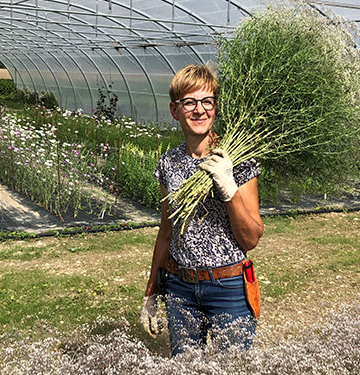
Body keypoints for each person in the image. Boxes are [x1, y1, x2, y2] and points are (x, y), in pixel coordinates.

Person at [141, 64, 263, 356]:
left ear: (215, 107)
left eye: (207, 101)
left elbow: (251, 238)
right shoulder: (168, 163)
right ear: (175, 110)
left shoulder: (237, 159)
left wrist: (228, 186)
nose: (199, 110)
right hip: (180, 290)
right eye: (189, 102)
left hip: (229, 288)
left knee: (232, 368)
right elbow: (167, 231)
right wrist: (151, 291)